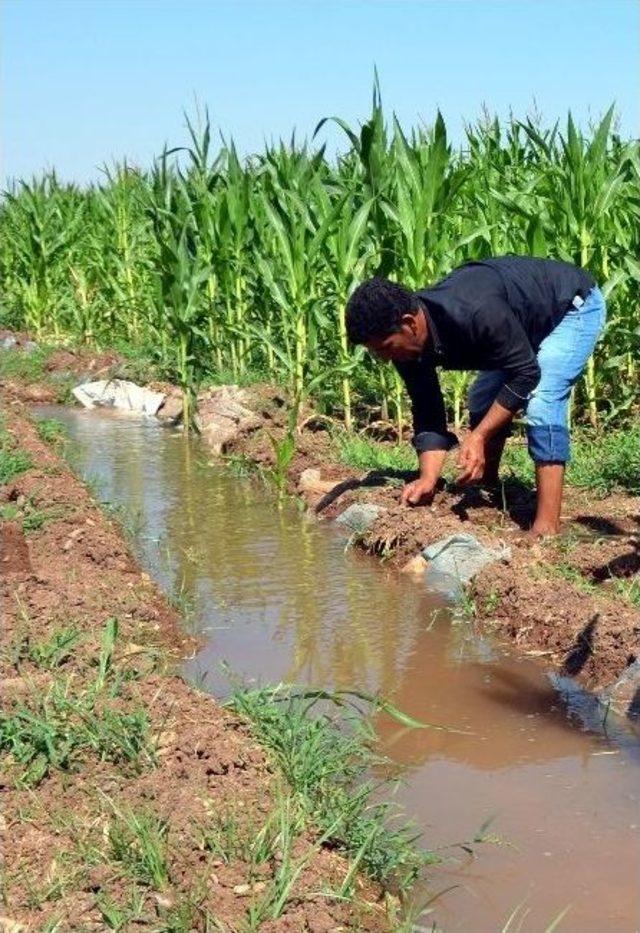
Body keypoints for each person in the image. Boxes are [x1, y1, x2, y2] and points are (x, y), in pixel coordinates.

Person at [345, 256, 606, 537]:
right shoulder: (406, 345)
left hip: (570, 307)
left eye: (384, 348)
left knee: (543, 400)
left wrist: (479, 436)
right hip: (519, 323)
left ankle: (547, 526)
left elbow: (526, 374)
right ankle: (488, 484)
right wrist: (428, 479)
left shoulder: (474, 312)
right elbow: (426, 406)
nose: (384, 359)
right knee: (483, 397)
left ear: (410, 324)